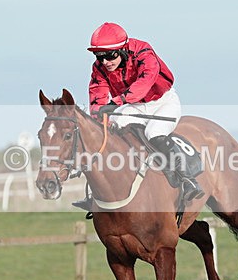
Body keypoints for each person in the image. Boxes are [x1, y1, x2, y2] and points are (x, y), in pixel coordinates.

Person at [73, 22, 204, 211]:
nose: (105, 62)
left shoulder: (143, 52)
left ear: (123, 49)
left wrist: (117, 102)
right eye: (99, 57)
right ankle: (99, 192)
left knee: (154, 133)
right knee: (112, 133)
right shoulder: (99, 68)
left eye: (110, 55)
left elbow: (145, 82)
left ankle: (187, 179)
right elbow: (97, 95)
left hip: (162, 102)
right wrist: (97, 118)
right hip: (133, 106)